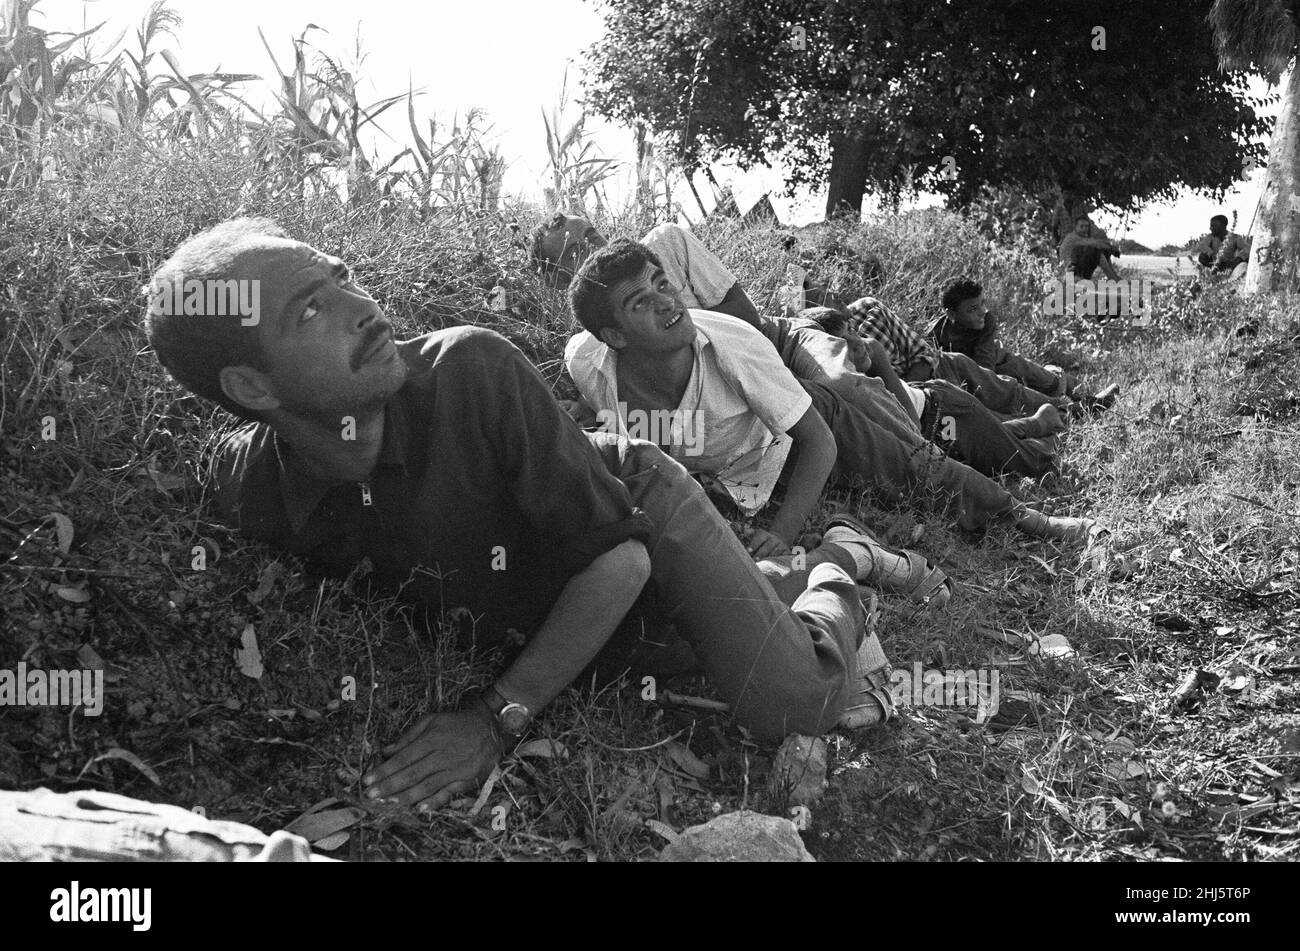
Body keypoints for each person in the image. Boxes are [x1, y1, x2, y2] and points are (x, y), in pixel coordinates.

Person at [144, 219, 912, 815]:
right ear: (252, 386)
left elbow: (621, 560)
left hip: (635, 513)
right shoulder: (254, 488)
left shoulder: (468, 369)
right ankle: (789, 575)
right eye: (312, 309)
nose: (363, 308)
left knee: (793, 700)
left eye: (342, 277)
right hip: (569, 592)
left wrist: (494, 718)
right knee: (674, 645)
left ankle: (839, 564)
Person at [564, 241, 1102, 562]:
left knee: (918, 467)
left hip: (809, 424)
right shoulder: (587, 362)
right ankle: (1023, 428)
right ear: (614, 336)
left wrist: (780, 536)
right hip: (735, 471)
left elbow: (816, 442)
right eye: (641, 301)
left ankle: (1028, 516)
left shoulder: (732, 344)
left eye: (664, 283)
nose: (667, 303)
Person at [803, 308, 1062, 478]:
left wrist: (877, 364)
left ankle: (1046, 428)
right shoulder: (836, 377)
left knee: (1023, 465)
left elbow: (910, 424)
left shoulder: (870, 357)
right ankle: (1036, 422)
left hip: (944, 411)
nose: (856, 342)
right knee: (981, 454)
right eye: (842, 342)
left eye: (852, 331)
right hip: (932, 423)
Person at [531, 212, 764, 328]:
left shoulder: (667, 242)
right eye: (575, 251)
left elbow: (748, 317)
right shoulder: (591, 329)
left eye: (592, 234)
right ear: (559, 281)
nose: (594, 247)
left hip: (777, 341)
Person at [845, 295, 1064, 418]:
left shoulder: (867, 308)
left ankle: (1066, 400)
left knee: (1006, 382)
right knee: (994, 419)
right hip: (926, 402)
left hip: (942, 371)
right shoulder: (829, 351)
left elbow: (924, 354)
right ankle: (1057, 407)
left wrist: (914, 389)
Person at [931, 279, 1120, 407]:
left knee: (1046, 379)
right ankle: (1077, 405)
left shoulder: (987, 320)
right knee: (1031, 394)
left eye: (983, 303)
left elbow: (985, 365)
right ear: (951, 314)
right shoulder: (936, 332)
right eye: (973, 308)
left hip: (1000, 364)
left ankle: (1091, 399)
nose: (982, 310)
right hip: (984, 378)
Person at [1058, 215, 1120, 280]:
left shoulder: (1082, 237)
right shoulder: (1072, 238)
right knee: (1096, 251)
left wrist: (1109, 248)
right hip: (1070, 270)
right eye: (1081, 226)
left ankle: (1112, 276)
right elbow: (1094, 243)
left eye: (1086, 226)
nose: (1084, 229)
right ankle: (1112, 277)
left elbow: (1094, 242)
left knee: (1104, 251)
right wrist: (1110, 247)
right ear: (1075, 227)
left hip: (1076, 267)